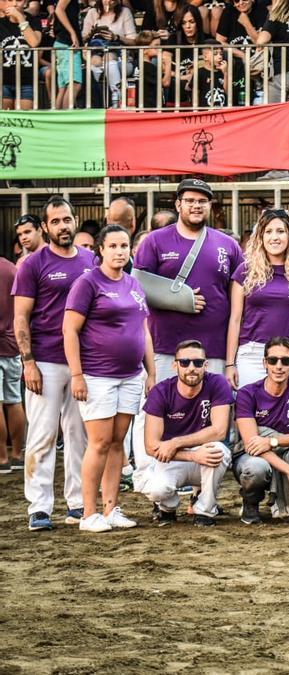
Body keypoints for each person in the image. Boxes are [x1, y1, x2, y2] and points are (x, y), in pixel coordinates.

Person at [63, 225, 153, 533]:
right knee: (99, 443)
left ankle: (111, 508)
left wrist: (150, 371)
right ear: (100, 249)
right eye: (112, 245)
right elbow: (70, 330)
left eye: (124, 245)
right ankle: (88, 513)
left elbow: (143, 330)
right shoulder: (87, 283)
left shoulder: (134, 284)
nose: (119, 251)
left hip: (130, 376)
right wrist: (77, 375)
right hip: (97, 375)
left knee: (118, 444)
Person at [14, 197, 92, 531]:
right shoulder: (33, 264)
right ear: (45, 227)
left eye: (68, 220)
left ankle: (76, 503)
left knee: (79, 435)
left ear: (76, 222)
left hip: (84, 363)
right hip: (45, 361)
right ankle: (39, 507)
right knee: (43, 435)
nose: (63, 226)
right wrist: (28, 362)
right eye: (56, 221)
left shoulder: (91, 260)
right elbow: (21, 317)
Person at [135, 179, 242, 383]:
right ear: (178, 205)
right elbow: (138, 289)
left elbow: (239, 300)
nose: (196, 206)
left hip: (214, 350)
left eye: (202, 201)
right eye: (189, 200)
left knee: (213, 413)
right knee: (158, 410)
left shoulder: (229, 245)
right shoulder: (154, 241)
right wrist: (179, 299)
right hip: (165, 349)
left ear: (209, 206)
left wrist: (231, 360)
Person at [232, 337, 289, 525]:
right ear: (264, 363)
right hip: (254, 456)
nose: (279, 366)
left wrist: (271, 441)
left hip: (284, 450)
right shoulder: (247, 393)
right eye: (273, 360)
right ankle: (252, 502)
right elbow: (252, 444)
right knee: (256, 468)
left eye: (285, 361)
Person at [140, 340, 233, 527]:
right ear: (175, 365)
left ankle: (205, 510)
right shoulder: (160, 391)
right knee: (157, 490)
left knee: (219, 451)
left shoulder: (217, 383)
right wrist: (191, 455)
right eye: (185, 362)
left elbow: (220, 430)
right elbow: (151, 446)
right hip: (174, 458)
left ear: (205, 365)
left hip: (194, 451)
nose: (192, 368)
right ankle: (167, 507)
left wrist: (175, 442)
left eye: (198, 363)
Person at [226, 210, 289, 389]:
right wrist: (230, 364)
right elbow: (235, 320)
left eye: (280, 231)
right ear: (260, 236)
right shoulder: (245, 271)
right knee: (248, 411)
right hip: (252, 355)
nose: (274, 237)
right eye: (268, 231)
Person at [0, 251, 24, 474]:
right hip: (13, 345)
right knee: (14, 400)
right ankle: (17, 454)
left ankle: (2, 457)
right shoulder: (11, 269)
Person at [0, 0, 42, 111]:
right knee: (6, 122)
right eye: (10, 0)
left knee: (25, 119)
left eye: (18, 0)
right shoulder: (1, 23)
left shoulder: (34, 21)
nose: (14, 4)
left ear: (26, 2)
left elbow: (34, 42)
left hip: (26, 81)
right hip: (4, 80)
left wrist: (20, 18)